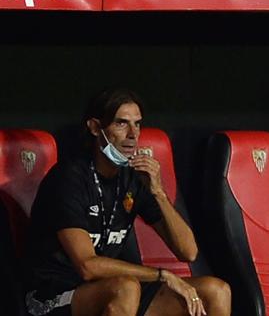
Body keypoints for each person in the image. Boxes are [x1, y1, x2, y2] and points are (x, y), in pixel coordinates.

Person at [23, 89, 231, 316]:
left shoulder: (132, 177)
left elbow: (188, 251)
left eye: (138, 124)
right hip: (53, 295)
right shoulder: (68, 178)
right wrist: (162, 275)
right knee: (126, 287)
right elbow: (87, 266)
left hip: (112, 290)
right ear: (95, 128)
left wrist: (158, 192)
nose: (133, 134)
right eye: (122, 124)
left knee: (215, 291)